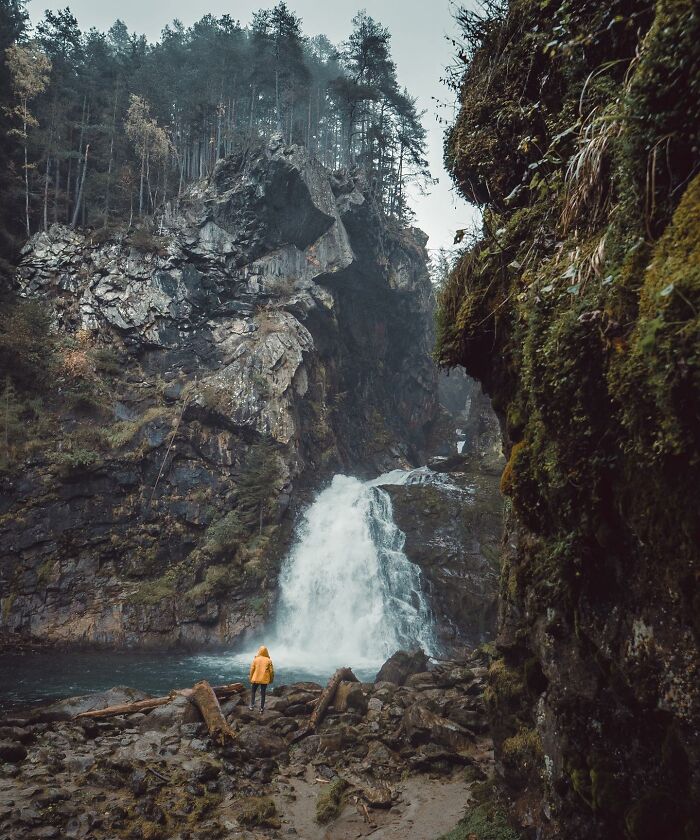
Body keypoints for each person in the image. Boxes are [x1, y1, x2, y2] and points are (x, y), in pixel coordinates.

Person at [248, 645, 274, 713]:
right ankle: (261, 708)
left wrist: (251, 678)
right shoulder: (269, 661)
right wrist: (271, 680)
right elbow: (271, 672)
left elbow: (252, 670)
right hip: (264, 679)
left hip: (256, 678)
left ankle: (251, 705)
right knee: (263, 693)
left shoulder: (255, 659)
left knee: (253, 691)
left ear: (259, 651)